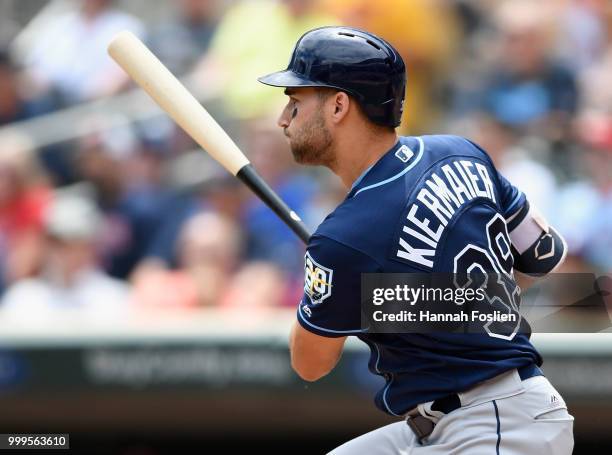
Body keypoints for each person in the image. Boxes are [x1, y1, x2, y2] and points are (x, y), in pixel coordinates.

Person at [258, 26, 574, 454]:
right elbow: (543, 254)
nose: (283, 118)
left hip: (499, 424)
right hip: (467, 416)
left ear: (338, 105)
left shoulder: (344, 236)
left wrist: (330, 276)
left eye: (295, 102)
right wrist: (415, 298)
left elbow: (309, 363)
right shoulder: (460, 151)